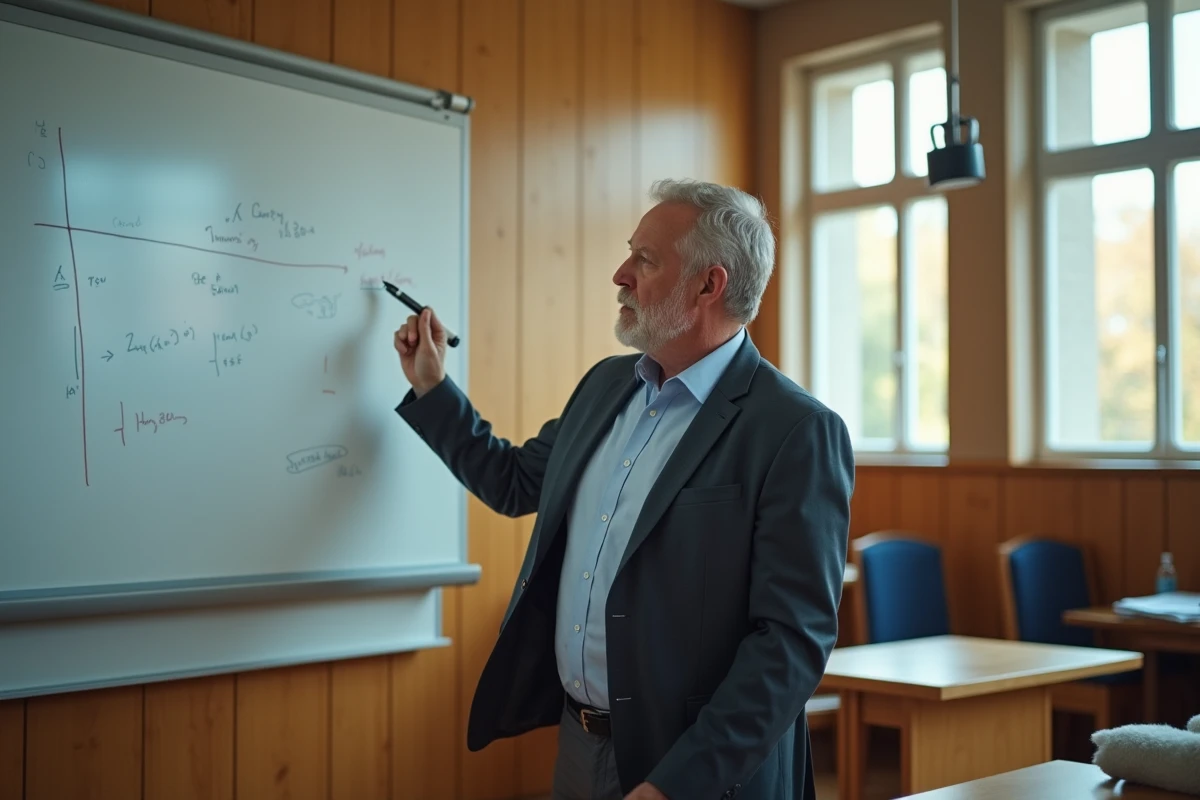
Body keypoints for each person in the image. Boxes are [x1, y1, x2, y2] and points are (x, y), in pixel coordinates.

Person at [393, 178, 854, 800]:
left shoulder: (795, 430)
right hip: (580, 744)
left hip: (699, 770)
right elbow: (515, 482)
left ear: (708, 285)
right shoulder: (605, 387)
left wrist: (677, 783)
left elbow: (791, 644)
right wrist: (432, 389)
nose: (620, 274)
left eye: (645, 259)